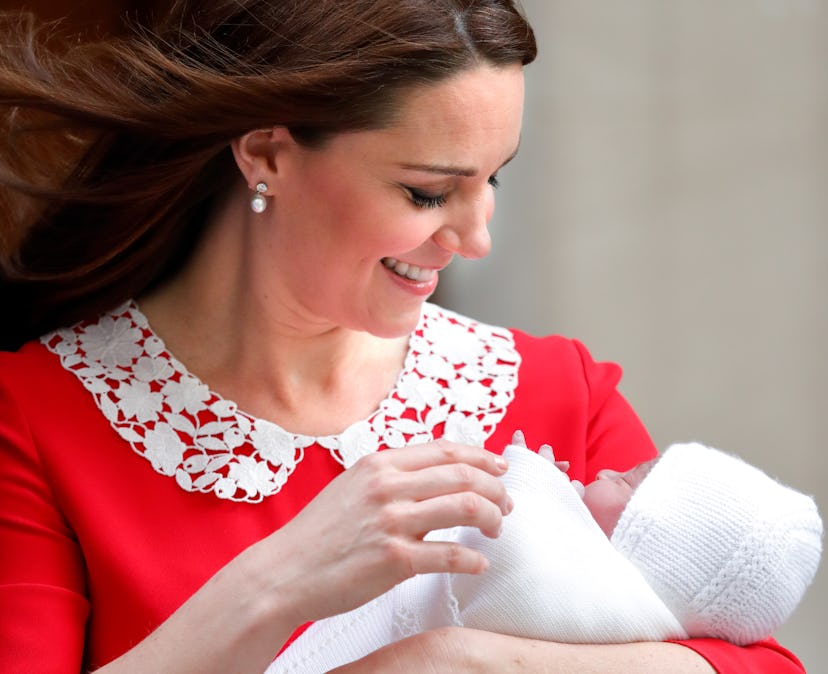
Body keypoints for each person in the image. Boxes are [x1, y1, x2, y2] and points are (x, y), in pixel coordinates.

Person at [0, 1, 810, 672]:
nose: (477, 236)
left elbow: (764, 664)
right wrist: (278, 581)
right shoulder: (33, 418)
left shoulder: (556, 390)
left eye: (491, 180)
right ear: (265, 155)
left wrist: (458, 660)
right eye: (428, 193)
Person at [268, 439, 822, 672]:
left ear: (652, 545)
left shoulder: (608, 611)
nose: (604, 471)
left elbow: (509, 568)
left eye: (626, 483)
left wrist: (531, 490)